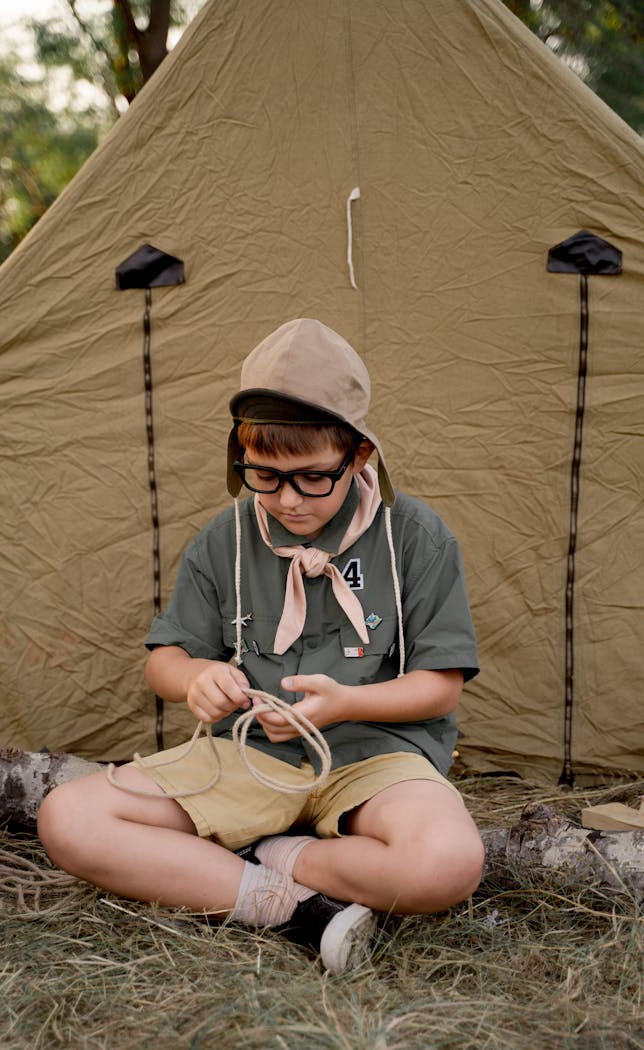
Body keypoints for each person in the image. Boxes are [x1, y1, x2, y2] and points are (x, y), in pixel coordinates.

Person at [38, 318, 484, 974]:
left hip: (375, 762)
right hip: (247, 759)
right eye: (265, 477)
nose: (288, 501)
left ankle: (276, 855)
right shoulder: (226, 538)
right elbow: (163, 659)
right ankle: (291, 908)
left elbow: (440, 684)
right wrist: (194, 679)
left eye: (311, 479)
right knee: (68, 819)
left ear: (359, 455)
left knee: (447, 864)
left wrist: (343, 706)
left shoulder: (414, 536)